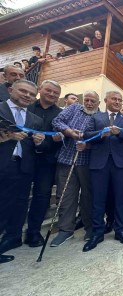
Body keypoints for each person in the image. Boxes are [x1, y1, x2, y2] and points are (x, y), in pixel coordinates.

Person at [82, 91, 123, 252]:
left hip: (121, 164)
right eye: (114, 99)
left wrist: (120, 132)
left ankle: (119, 230)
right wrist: (101, 133)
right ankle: (97, 232)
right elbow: (86, 134)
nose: (118, 102)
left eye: (120, 100)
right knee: (98, 199)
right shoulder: (96, 117)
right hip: (99, 164)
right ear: (106, 101)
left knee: (120, 198)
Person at [0, 79, 45, 263]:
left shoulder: (36, 120)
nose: (27, 96)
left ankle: (13, 237)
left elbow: (38, 149)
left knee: (19, 204)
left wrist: (39, 143)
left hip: (23, 167)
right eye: (23, 91)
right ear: (11, 90)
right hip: (2, 163)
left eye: (32, 94)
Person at [50, 90, 100, 247]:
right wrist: (69, 131)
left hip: (87, 162)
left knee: (88, 197)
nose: (89, 103)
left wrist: (88, 144)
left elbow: (101, 140)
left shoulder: (100, 116)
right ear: (83, 100)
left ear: (98, 103)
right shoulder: (73, 108)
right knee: (65, 196)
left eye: (93, 101)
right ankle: (65, 230)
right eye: (87, 100)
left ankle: (90, 227)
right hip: (66, 159)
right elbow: (56, 121)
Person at [24, 80, 63, 247]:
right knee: (18, 195)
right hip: (24, 158)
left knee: (42, 196)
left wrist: (60, 137)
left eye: (56, 93)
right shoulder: (27, 107)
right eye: (49, 90)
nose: (52, 94)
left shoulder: (61, 114)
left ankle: (33, 232)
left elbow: (62, 137)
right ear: (40, 90)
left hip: (47, 161)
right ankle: (12, 232)